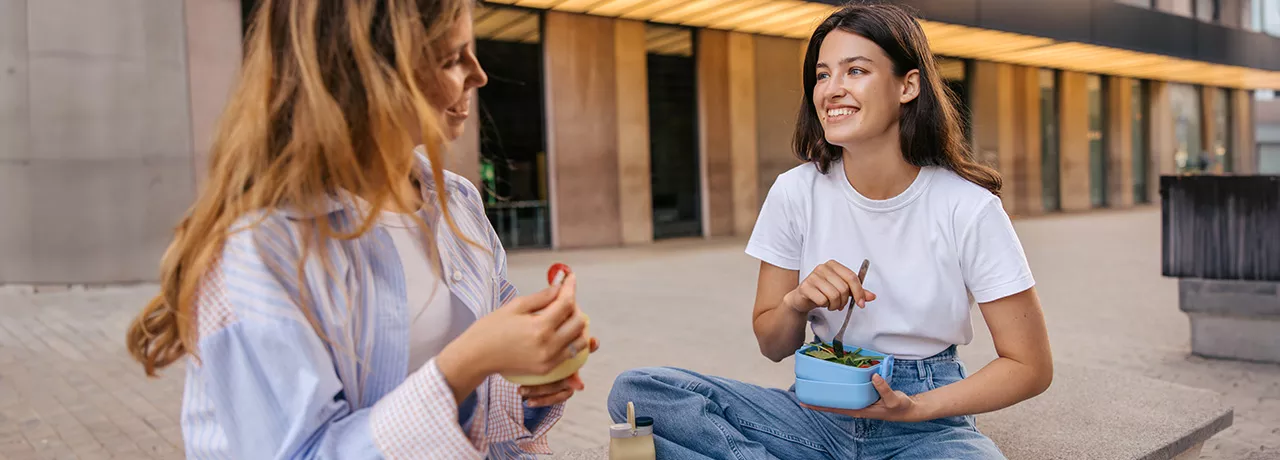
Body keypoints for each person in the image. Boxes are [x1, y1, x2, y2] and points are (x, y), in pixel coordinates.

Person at [124, 1, 597, 458]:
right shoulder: (260, 251)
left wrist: (531, 375)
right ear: (366, 74)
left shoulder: (456, 202)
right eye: (452, 58)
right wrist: (467, 363)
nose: (478, 74)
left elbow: (473, 416)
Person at [607, 4, 1052, 459]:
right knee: (642, 392)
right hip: (815, 411)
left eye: (855, 70)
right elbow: (773, 345)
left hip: (927, 423)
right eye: (822, 75)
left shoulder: (968, 208)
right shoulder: (795, 192)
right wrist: (797, 302)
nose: (832, 90)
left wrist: (915, 407)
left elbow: (1029, 365)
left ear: (908, 85)